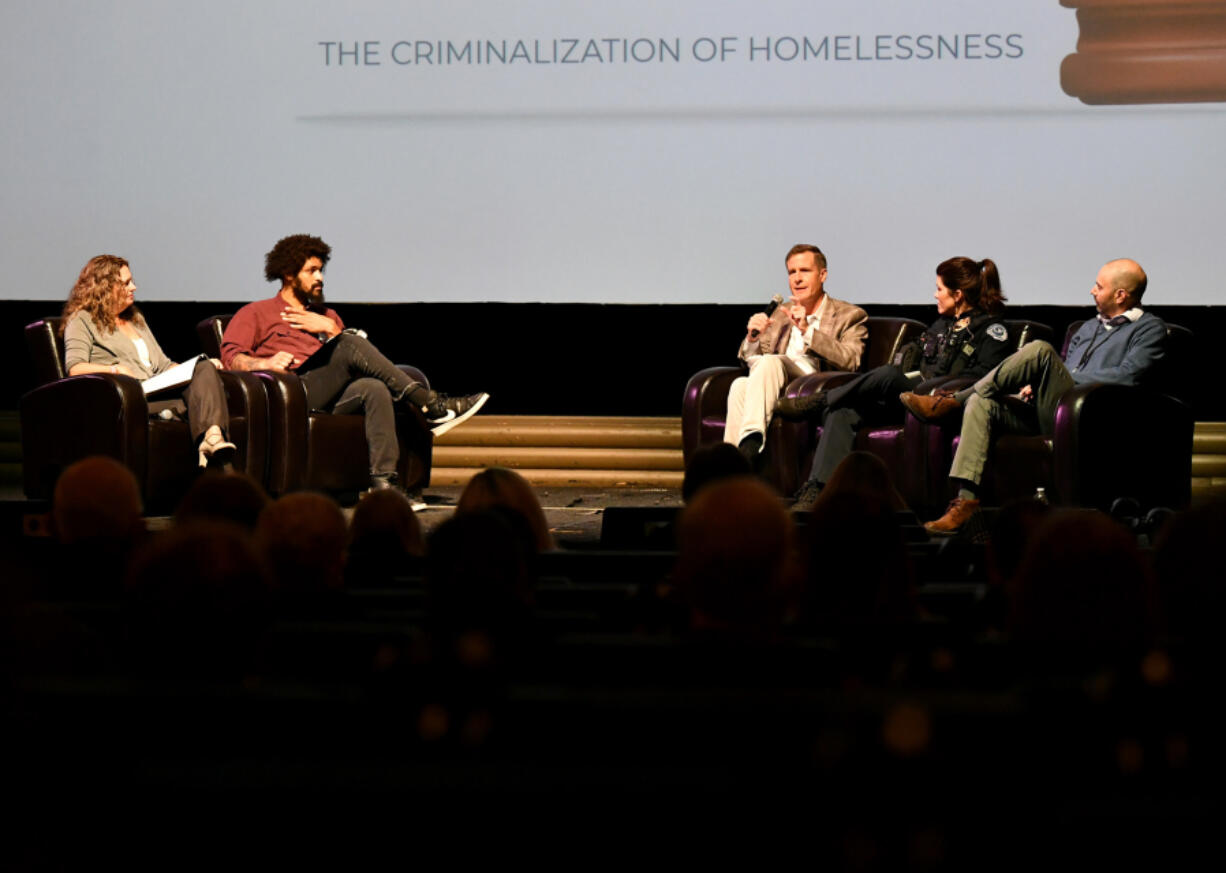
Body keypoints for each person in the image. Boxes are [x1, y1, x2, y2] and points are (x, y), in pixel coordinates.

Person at [901, 258, 1165, 535]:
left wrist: (1054, 376)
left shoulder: (1148, 329)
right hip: (1051, 409)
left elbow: (1128, 376)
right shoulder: (1087, 328)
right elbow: (1064, 371)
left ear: (1121, 295)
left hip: (1089, 415)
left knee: (1039, 349)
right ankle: (964, 505)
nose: (1092, 291)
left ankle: (955, 400)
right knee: (982, 402)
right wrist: (1038, 383)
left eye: (1099, 286)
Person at [221, 234, 488, 504]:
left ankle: (385, 484)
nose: (320, 278)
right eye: (312, 271)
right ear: (289, 274)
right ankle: (429, 404)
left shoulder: (328, 317)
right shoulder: (256, 313)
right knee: (349, 342)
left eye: (321, 270)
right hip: (291, 394)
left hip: (330, 394)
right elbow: (232, 358)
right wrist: (265, 364)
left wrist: (330, 330)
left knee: (373, 388)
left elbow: (355, 362)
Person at [777, 257, 1012, 510]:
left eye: (940, 289)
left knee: (888, 375)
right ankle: (819, 491)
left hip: (942, 403)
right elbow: (918, 354)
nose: (935, 295)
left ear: (958, 295)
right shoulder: (942, 325)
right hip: (910, 399)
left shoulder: (991, 331)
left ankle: (821, 400)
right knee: (843, 411)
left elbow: (985, 379)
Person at [62, 255, 236, 468]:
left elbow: (163, 365)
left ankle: (212, 438)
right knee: (204, 403)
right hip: (130, 397)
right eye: (126, 283)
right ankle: (215, 453)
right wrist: (115, 370)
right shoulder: (82, 320)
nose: (134, 287)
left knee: (204, 368)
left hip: (157, 389)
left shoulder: (135, 319)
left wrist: (199, 370)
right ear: (105, 287)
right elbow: (76, 368)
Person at [724, 244, 867, 468]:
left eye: (804, 271)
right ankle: (734, 467)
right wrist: (752, 339)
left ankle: (751, 444)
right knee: (739, 386)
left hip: (816, 386)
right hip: (776, 383)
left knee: (770, 362)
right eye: (792, 272)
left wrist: (807, 331)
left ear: (822, 275)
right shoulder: (781, 314)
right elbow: (753, 360)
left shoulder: (849, 315)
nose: (797, 279)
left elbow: (852, 360)